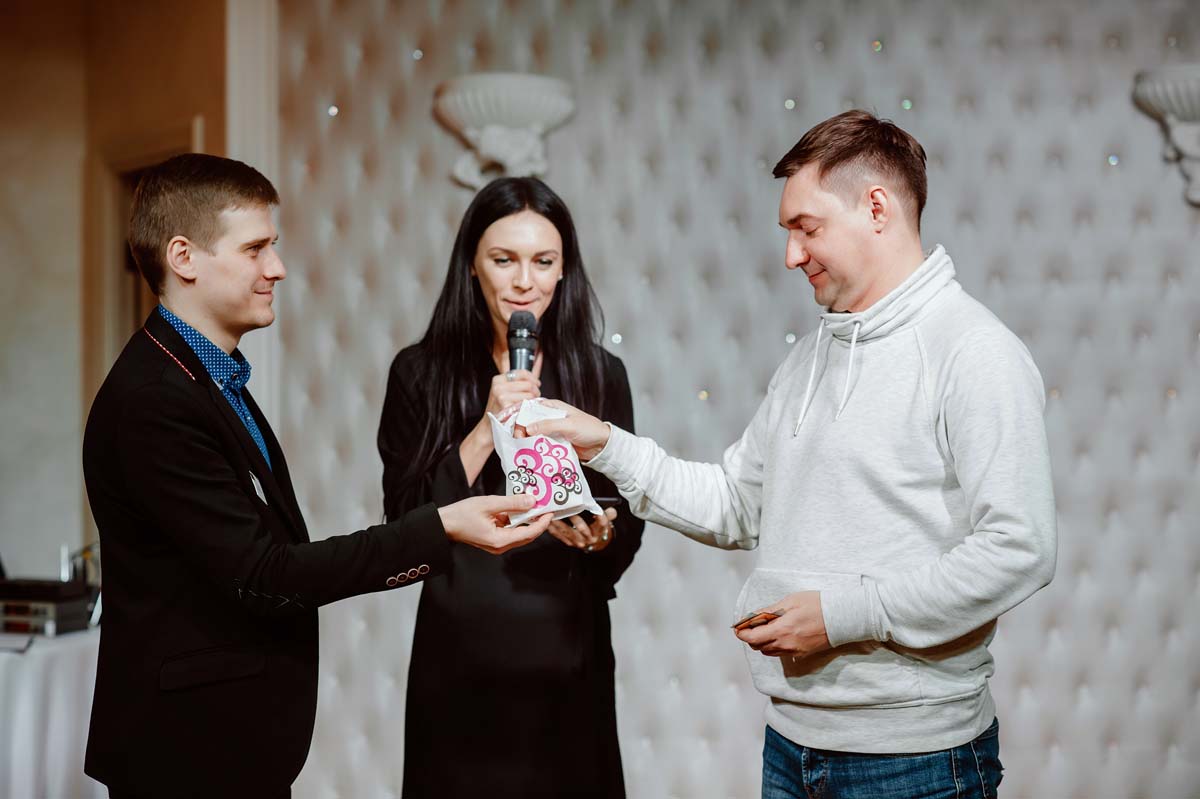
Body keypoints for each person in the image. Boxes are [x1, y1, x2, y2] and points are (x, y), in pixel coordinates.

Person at [522, 111, 1057, 798]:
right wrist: (603, 442)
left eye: (806, 228)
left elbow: (1020, 548)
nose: (791, 256)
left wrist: (841, 616)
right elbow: (736, 504)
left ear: (876, 208)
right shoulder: (810, 357)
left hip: (915, 761)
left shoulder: (974, 352)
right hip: (791, 746)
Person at [82, 154, 550, 799]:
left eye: (272, 247)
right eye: (255, 249)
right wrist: (442, 526)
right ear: (184, 257)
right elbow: (265, 575)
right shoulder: (155, 401)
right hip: (186, 750)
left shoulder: (209, 380)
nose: (276, 267)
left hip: (230, 741)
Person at [377, 176, 644, 798]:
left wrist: (602, 537)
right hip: (460, 653)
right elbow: (405, 520)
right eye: (504, 260)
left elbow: (627, 517)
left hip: (566, 649)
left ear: (564, 270)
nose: (525, 281)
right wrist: (484, 428)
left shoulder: (600, 373)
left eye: (543, 262)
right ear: (472, 265)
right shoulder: (419, 373)